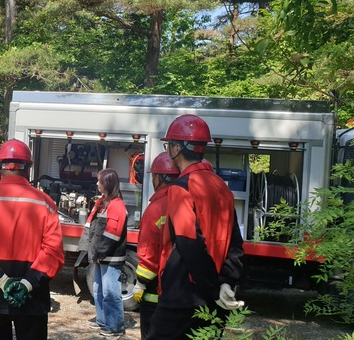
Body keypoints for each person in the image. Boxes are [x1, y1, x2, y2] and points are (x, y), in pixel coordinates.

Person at [148, 114, 245, 339]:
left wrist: (211, 286)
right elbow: (235, 241)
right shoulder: (220, 185)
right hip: (213, 299)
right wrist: (227, 282)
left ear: (176, 148)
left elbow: (189, 243)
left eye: (169, 144)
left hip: (183, 297)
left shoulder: (180, 188)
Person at [0, 139, 64, 340]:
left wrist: (3, 281)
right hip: (32, 298)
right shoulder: (45, 203)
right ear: (28, 168)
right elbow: (53, 251)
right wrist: (27, 284)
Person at [132, 152, 179, 339]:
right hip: (181, 288)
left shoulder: (156, 209)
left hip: (155, 291)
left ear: (159, 177)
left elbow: (148, 252)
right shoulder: (189, 201)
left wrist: (140, 283)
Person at [88, 169, 128, 339]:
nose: (97, 184)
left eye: (100, 181)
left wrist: (99, 252)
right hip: (101, 256)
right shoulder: (103, 202)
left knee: (110, 293)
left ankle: (116, 327)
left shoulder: (116, 205)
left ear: (108, 184)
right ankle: (103, 320)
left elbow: (112, 234)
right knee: (98, 290)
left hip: (110, 258)